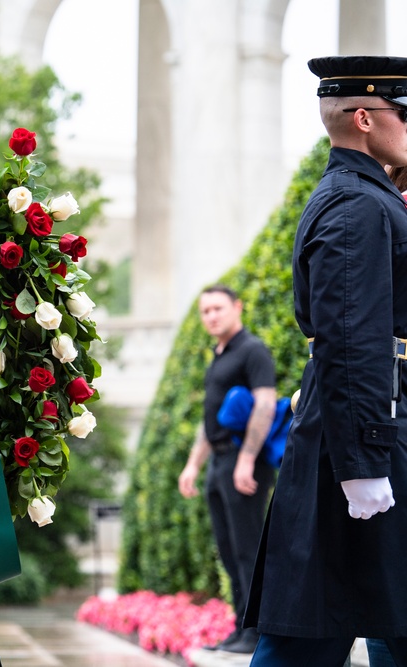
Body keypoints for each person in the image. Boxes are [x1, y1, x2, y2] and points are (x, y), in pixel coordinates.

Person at [245, 55, 407, 666]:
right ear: (365, 119)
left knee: (363, 610)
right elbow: (351, 340)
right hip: (367, 439)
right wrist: (365, 461)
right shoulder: (358, 207)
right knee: (310, 631)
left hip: (369, 429)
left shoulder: (370, 197)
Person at [177, 284, 276, 654]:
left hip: (241, 460)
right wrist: (192, 464)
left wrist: (247, 460)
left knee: (249, 550)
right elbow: (211, 418)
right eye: (205, 311)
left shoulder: (253, 351)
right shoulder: (219, 355)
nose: (211, 316)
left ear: (238, 307)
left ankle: (257, 635)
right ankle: (240, 629)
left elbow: (265, 406)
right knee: (230, 550)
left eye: (218, 308)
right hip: (219, 461)